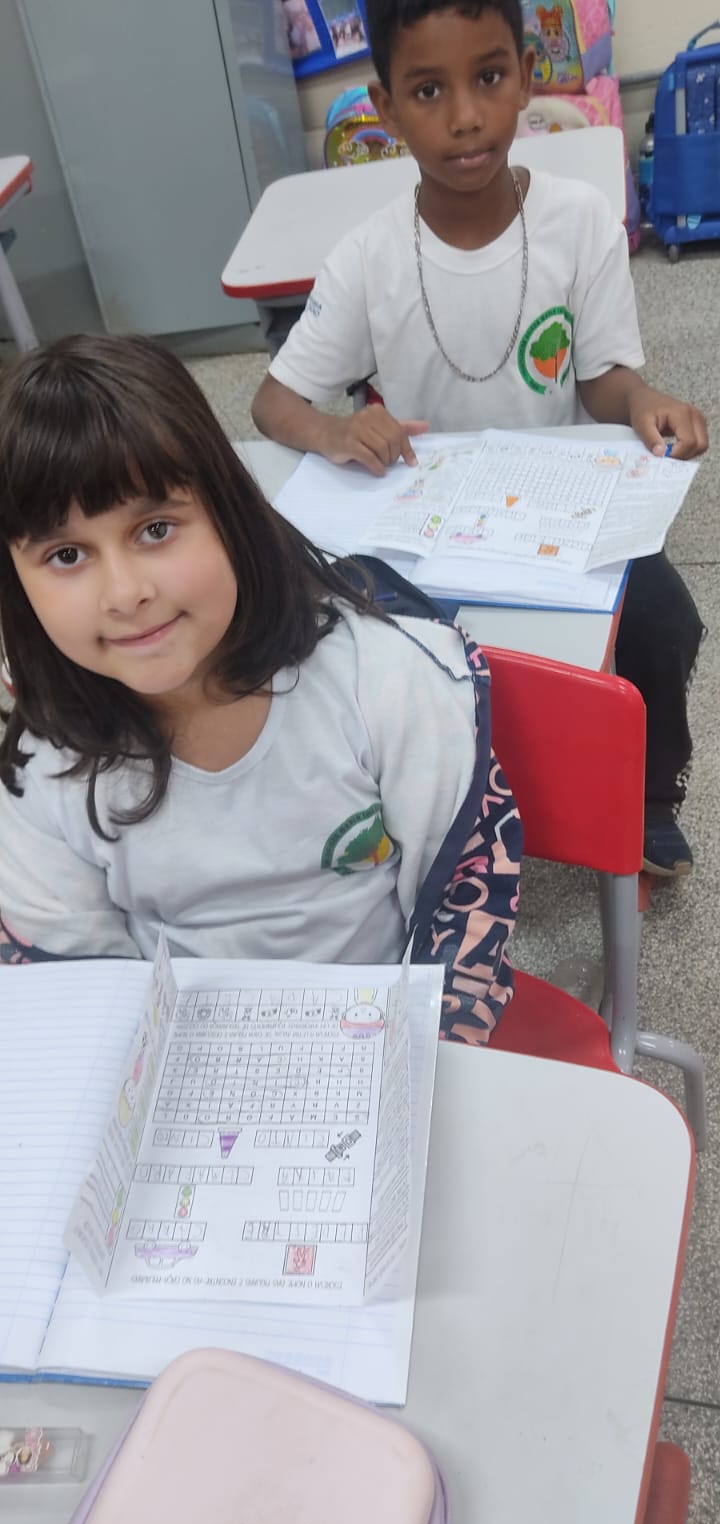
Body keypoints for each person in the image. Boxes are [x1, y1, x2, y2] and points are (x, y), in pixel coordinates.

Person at [252, 0, 708, 878]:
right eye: (429, 91)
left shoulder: (580, 221)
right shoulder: (369, 257)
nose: (465, 116)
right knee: (352, 649)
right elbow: (275, 403)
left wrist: (642, 399)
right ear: (387, 109)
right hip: (427, 527)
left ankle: (649, 798)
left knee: (664, 622)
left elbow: (602, 380)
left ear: (527, 79)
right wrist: (336, 428)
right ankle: (427, 806)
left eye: (490, 77)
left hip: (557, 512)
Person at [0, 334, 521, 1048]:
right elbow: (73, 991)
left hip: (384, 1048)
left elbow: (465, 899)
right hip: (184, 1074)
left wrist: (422, 1060)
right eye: (66, 555)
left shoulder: (382, 682)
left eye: (155, 529)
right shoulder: (41, 774)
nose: (124, 593)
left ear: (229, 514)